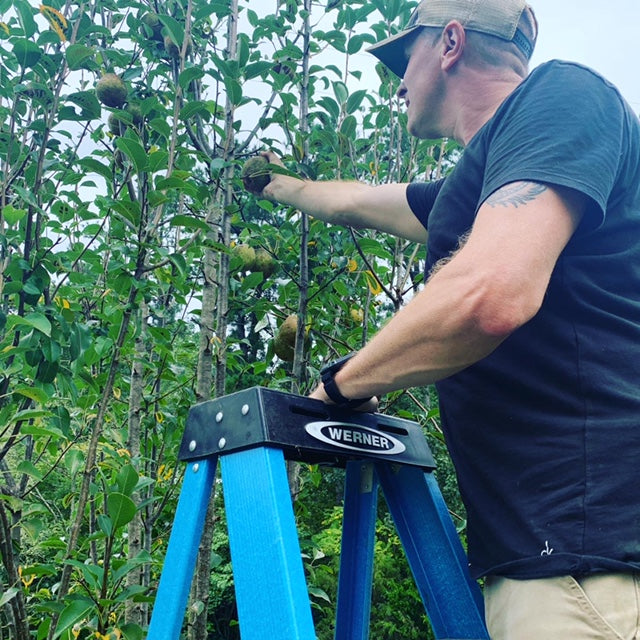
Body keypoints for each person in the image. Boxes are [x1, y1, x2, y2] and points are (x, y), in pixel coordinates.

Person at [253, 0, 640, 637]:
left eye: (404, 60)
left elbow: (490, 293)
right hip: (555, 556)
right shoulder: (485, 180)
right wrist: (275, 185)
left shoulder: (564, 96)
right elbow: (357, 202)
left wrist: (342, 385)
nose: (398, 83)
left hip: (584, 557)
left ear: (451, 42)